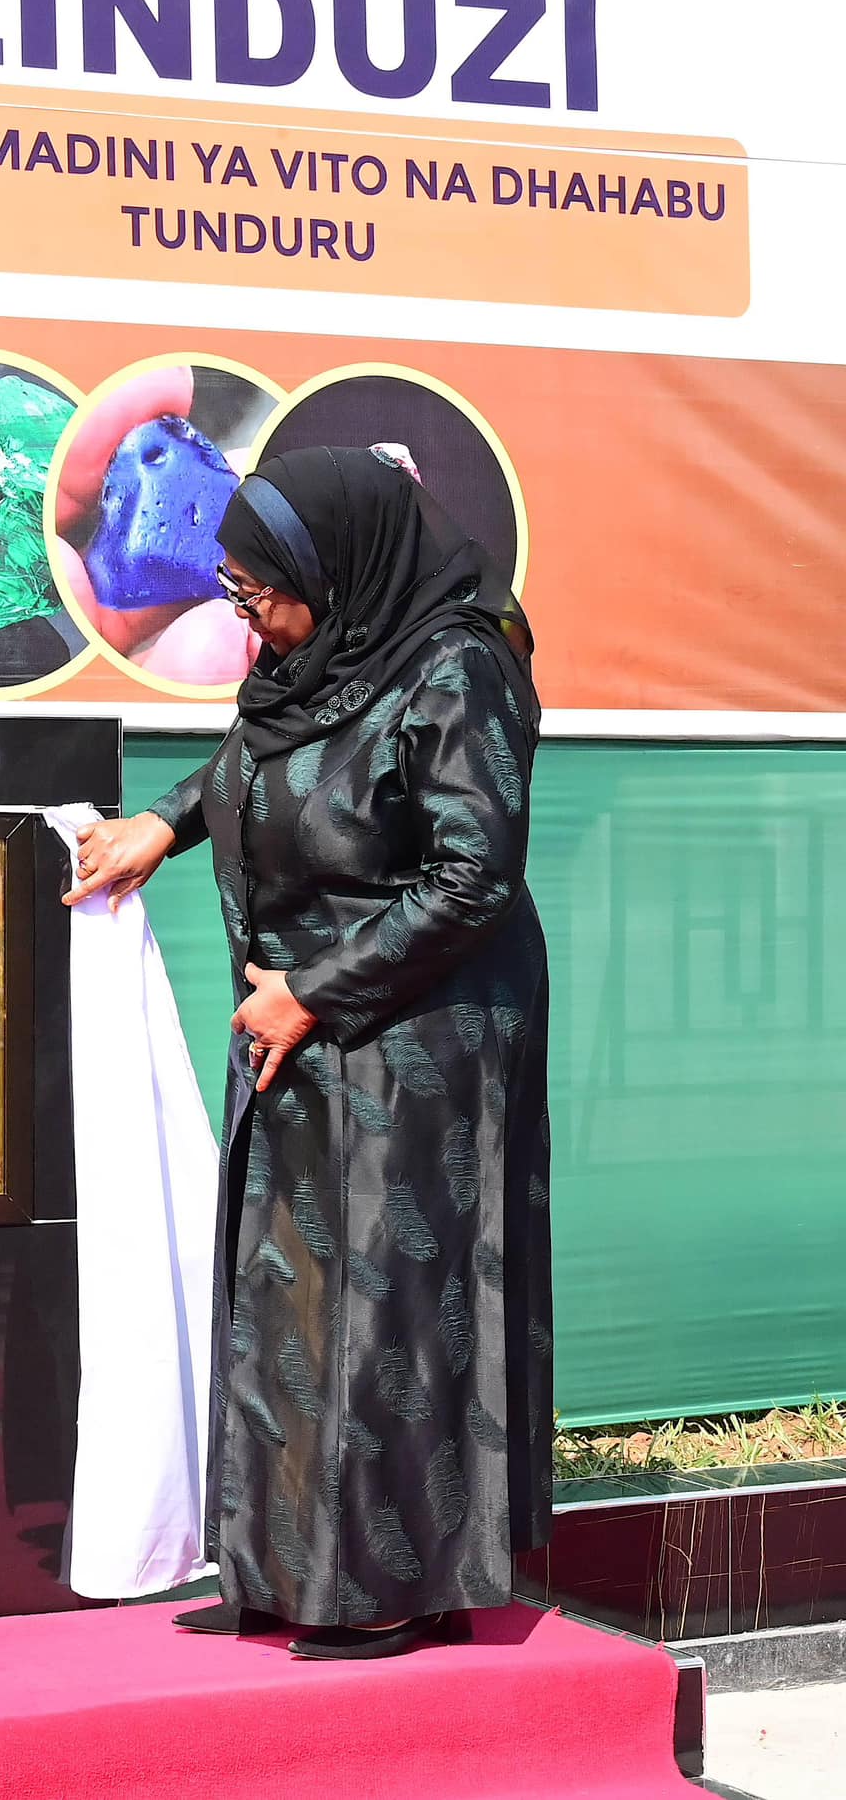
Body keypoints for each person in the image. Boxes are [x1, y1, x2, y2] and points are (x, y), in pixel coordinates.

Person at [64, 445, 551, 1660]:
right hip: (299, 1014)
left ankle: (390, 1584)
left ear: (338, 571)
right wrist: (161, 823)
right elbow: (264, 757)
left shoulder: (457, 666)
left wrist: (314, 994)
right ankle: (287, 1565)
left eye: (258, 594)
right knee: (287, 1293)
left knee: (390, 1303)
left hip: (416, 1029)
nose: (247, 621)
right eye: (231, 592)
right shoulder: (318, 653)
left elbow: (471, 877)